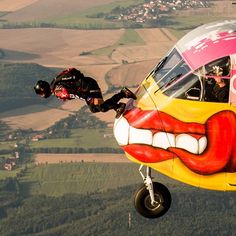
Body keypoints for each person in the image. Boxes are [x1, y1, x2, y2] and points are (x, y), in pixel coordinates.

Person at [34, 68, 136, 118]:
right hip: (86, 85)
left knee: (100, 107)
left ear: (44, 90)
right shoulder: (55, 84)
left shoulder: (57, 91)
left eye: (41, 93)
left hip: (88, 86)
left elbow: (75, 94)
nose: (42, 95)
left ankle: (122, 94)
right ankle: (117, 106)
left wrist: (89, 99)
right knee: (95, 109)